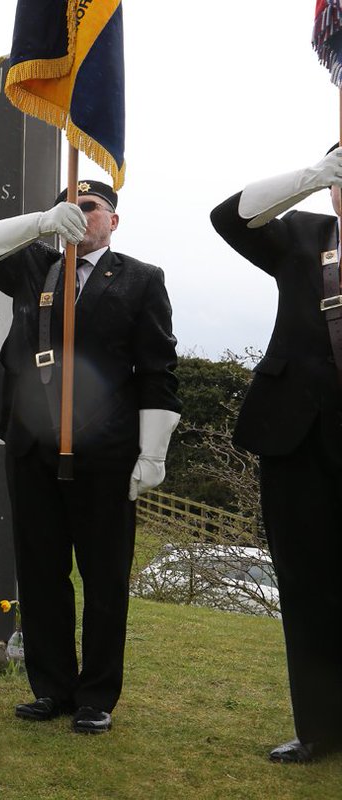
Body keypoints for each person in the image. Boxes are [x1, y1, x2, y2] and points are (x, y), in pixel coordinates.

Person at [0, 180, 181, 734]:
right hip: (32, 445)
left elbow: (157, 370)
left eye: (90, 208)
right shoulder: (36, 266)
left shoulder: (141, 279)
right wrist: (40, 222)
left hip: (104, 452)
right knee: (40, 571)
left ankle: (96, 696)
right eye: (70, 208)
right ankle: (51, 688)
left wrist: (152, 454)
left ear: (113, 221)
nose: (81, 215)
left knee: (104, 577)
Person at [210, 147, 342, 763]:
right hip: (294, 434)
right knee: (306, 583)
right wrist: (313, 175)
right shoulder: (304, 236)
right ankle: (319, 727)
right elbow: (229, 218)